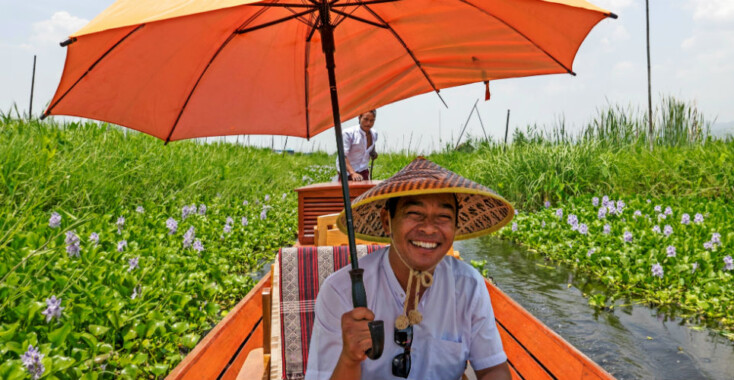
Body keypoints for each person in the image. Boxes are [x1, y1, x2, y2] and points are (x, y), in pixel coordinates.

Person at [306, 157, 515, 380]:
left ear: (455, 226)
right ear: (387, 221)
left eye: (443, 217)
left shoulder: (469, 285)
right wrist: (349, 357)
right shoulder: (342, 291)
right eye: (414, 214)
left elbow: (493, 368)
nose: (428, 228)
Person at [336, 110, 378, 181]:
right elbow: (342, 156)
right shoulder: (348, 133)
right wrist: (353, 173)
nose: (368, 123)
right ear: (359, 118)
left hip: (363, 172)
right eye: (366, 119)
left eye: (372, 120)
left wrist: (373, 153)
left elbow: (371, 147)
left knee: (366, 192)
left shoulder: (374, 134)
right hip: (347, 174)